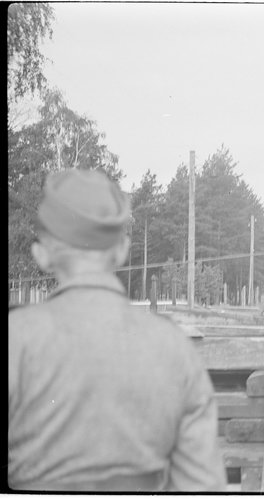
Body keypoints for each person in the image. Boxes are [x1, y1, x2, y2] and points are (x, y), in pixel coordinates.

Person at [8, 169, 227, 492]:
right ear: (122, 250)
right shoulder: (173, 347)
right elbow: (202, 485)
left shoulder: (16, 338)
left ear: (41, 255)